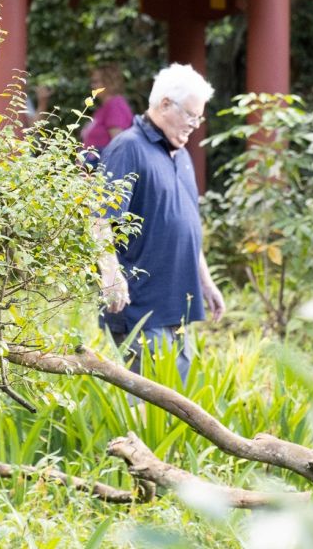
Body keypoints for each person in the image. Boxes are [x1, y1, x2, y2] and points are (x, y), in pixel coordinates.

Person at [95, 62, 225, 386]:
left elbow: (186, 225)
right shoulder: (128, 147)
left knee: (178, 400)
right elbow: (99, 218)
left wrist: (206, 282)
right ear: (165, 104)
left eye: (199, 117)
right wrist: (110, 275)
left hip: (177, 304)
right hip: (140, 307)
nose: (195, 124)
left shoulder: (180, 154)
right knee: (151, 405)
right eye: (191, 115)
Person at [80, 63, 133, 153]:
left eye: (96, 82)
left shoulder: (115, 105)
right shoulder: (105, 107)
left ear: (109, 83)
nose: (92, 86)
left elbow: (119, 145)